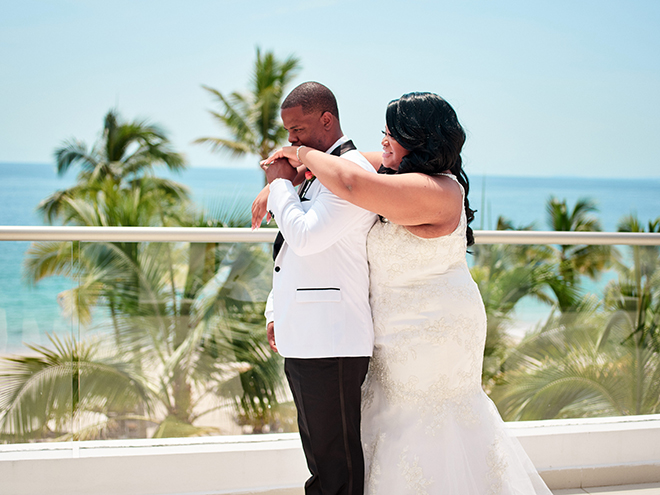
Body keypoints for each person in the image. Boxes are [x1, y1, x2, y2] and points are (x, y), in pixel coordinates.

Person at [261, 92, 553, 494]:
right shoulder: (395, 171)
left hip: (436, 328)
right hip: (390, 328)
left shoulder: (438, 190)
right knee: (389, 421)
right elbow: (347, 158)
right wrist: (292, 172)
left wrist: (295, 157)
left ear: (419, 139)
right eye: (383, 132)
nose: (382, 141)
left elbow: (348, 177)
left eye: (391, 134)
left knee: (427, 423)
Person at [259, 81, 378, 495]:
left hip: (334, 340)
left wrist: (278, 185)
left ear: (326, 119)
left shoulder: (352, 173)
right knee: (321, 460)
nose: (290, 140)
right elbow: (294, 252)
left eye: (299, 130)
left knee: (336, 466)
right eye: (288, 131)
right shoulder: (315, 174)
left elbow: (306, 236)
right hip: (309, 335)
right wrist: (277, 312)